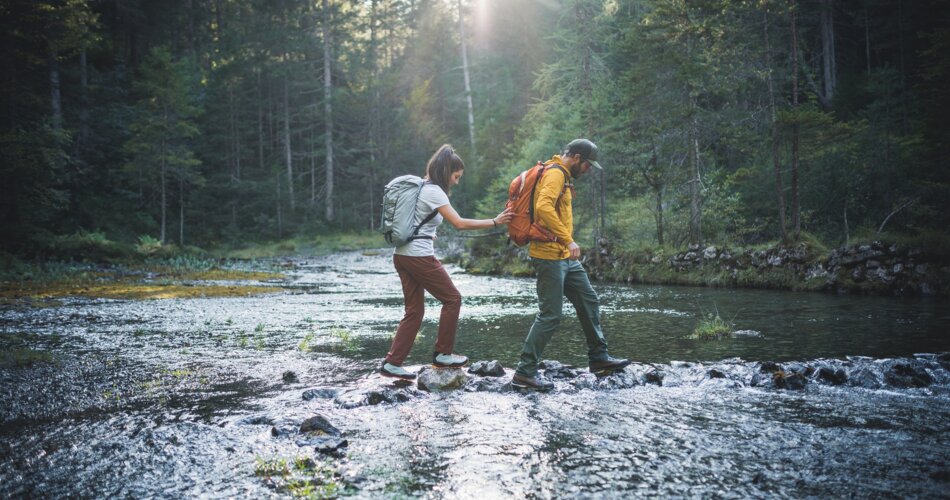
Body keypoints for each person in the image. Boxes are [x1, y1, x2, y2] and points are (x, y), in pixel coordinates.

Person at [380, 144, 513, 380]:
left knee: (414, 311)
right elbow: (459, 223)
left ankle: (392, 363)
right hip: (418, 256)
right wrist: (495, 221)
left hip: (402, 255)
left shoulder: (423, 187)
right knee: (452, 299)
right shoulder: (435, 192)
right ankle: (443, 353)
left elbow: (421, 220)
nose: (457, 181)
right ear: (446, 172)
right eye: (456, 176)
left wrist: (429, 232)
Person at [511, 138, 630, 390]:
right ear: (576, 158)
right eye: (587, 165)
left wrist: (566, 244)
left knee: (588, 299)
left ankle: (599, 359)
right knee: (550, 315)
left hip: (564, 256)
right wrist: (569, 240)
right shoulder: (555, 175)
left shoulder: (563, 176)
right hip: (548, 255)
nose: (587, 170)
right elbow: (543, 207)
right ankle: (524, 372)